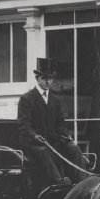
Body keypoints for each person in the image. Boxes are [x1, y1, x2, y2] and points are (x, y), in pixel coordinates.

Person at [17, 57, 87, 191]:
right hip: (34, 144)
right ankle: (59, 182)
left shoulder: (55, 100)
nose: (48, 81)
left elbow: (60, 123)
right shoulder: (26, 99)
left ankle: (82, 182)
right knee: (44, 151)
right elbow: (24, 125)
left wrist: (66, 136)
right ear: (37, 78)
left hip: (52, 140)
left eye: (50, 78)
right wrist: (35, 136)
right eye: (44, 78)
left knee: (73, 148)